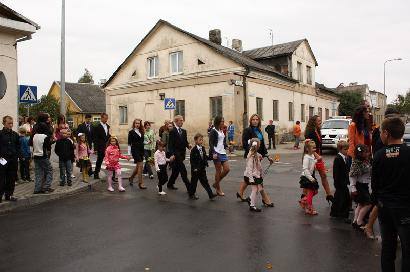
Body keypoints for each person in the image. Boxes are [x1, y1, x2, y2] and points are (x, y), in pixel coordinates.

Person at [372, 117, 410, 272]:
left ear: (386, 133)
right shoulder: (408, 153)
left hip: (385, 208)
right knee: (407, 250)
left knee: (388, 249)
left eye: (381, 132)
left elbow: (375, 186)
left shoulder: (379, 155)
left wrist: (378, 202)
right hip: (405, 209)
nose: (380, 134)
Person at [363, 108, 401, 240]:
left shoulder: (390, 130)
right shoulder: (380, 132)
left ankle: (373, 227)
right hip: (384, 168)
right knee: (379, 202)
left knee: (383, 203)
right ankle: (369, 226)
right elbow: (377, 149)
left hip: (391, 168)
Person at [237, 114, 275, 207]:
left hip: (258, 157)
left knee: (250, 176)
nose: (255, 121)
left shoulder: (258, 130)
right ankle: (265, 199)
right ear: (250, 121)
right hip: (252, 157)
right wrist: (253, 153)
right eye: (253, 119)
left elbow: (261, 146)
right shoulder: (247, 130)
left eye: (256, 119)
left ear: (259, 121)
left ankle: (240, 192)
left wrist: (267, 156)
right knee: (257, 178)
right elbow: (245, 144)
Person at [304, 115, 334, 203]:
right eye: (318, 121)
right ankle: (305, 197)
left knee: (323, 175)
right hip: (311, 158)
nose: (320, 122)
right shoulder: (310, 132)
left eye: (320, 120)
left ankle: (329, 195)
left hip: (318, 157)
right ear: (313, 122)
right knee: (309, 178)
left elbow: (319, 145)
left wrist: (320, 156)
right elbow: (309, 147)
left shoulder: (318, 131)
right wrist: (317, 156)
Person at [350, 144, 372, 229]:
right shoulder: (356, 163)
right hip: (359, 186)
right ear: (360, 154)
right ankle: (359, 221)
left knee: (360, 204)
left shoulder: (366, 161)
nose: (368, 153)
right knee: (368, 203)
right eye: (365, 152)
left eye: (367, 152)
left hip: (365, 185)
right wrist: (353, 187)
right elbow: (352, 176)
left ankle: (355, 221)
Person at [244, 138, 269, 212]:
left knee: (259, 188)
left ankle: (250, 199)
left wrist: (260, 156)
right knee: (255, 189)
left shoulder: (255, 154)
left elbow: (257, 155)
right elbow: (249, 168)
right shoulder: (251, 156)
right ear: (257, 146)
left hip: (256, 175)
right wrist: (251, 179)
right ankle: (252, 205)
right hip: (253, 176)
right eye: (259, 145)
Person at [189, 133, 217, 200]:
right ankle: (191, 194)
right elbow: (192, 161)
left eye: (202, 140)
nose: (201, 141)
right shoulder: (193, 150)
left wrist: (212, 157)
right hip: (195, 170)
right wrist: (194, 168)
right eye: (200, 140)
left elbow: (205, 157)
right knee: (194, 183)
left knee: (205, 182)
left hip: (202, 168)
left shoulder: (203, 148)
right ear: (196, 141)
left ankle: (211, 195)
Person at [167, 115, 191, 191]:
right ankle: (190, 189)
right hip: (176, 155)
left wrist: (188, 145)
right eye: (181, 120)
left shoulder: (184, 131)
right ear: (176, 121)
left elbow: (185, 141)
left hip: (182, 154)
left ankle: (170, 184)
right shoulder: (172, 131)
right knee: (183, 171)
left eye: (182, 120)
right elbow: (170, 145)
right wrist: (172, 154)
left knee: (175, 171)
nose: (182, 122)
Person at [330, 140, 351, 222]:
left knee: (339, 198)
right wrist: (337, 182)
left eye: (347, 149)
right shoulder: (338, 159)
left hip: (343, 182)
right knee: (343, 198)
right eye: (345, 149)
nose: (347, 151)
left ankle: (335, 213)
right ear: (340, 149)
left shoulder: (345, 158)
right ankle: (342, 214)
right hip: (340, 183)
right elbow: (336, 173)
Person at [209, 116, 230, 196]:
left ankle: (215, 183)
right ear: (217, 122)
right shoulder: (213, 131)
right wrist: (214, 153)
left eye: (223, 121)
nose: (223, 123)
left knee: (227, 169)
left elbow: (222, 142)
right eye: (221, 121)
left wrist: (227, 146)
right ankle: (218, 189)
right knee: (218, 171)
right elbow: (211, 143)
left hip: (223, 152)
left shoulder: (221, 130)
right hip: (216, 152)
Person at [0, 116, 20, 202]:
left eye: (12, 123)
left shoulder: (15, 134)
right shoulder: (0, 134)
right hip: (2, 160)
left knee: (11, 178)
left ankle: (9, 195)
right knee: (1, 178)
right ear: (4, 123)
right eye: (9, 123)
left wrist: (17, 156)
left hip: (13, 160)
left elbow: (18, 146)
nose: (11, 125)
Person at [31, 121, 54, 194]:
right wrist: (53, 141)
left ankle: (37, 189)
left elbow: (31, 144)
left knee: (38, 173)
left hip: (35, 156)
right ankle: (46, 187)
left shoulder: (34, 136)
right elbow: (47, 146)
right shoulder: (45, 137)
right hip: (43, 156)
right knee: (49, 170)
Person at [299, 140, 319, 215]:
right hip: (307, 177)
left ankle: (303, 201)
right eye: (313, 148)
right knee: (310, 194)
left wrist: (316, 162)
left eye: (315, 148)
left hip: (311, 176)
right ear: (307, 149)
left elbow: (312, 164)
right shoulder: (306, 157)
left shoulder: (312, 155)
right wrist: (310, 178)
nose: (315, 149)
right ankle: (309, 209)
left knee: (315, 191)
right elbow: (305, 169)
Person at [128, 119, 146, 189]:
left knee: (138, 166)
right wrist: (129, 154)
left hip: (141, 150)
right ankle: (140, 183)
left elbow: (141, 141)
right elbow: (129, 144)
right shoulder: (131, 132)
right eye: (136, 123)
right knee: (141, 165)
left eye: (138, 123)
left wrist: (147, 143)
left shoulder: (141, 131)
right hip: (135, 150)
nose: (137, 124)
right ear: (134, 124)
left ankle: (131, 178)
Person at [92, 113, 110, 179]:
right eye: (105, 118)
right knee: (99, 160)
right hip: (100, 146)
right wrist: (95, 149)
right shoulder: (97, 126)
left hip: (107, 146)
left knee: (111, 160)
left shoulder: (107, 126)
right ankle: (96, 174)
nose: (106, 120)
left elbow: (107, 135)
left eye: (107, 118)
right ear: (101, 118)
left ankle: (112, 176)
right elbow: (95, 138)